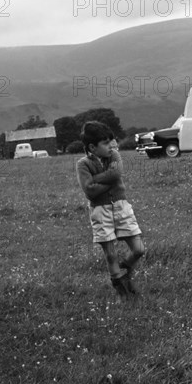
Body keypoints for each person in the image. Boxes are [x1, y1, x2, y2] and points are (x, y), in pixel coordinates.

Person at [76, 121, 145, 301]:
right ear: (92, 146)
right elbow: (89, 191)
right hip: (100, 211)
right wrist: (109, 181)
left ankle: (126, 269)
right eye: (106, 143)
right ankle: (122, 290)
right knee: (110, 254)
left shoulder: (114, 155)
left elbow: (115, 175)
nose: (112, 146)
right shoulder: (82, 164)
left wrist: (97, 180)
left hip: (122, 208)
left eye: (111, 141)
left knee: (138, 249)